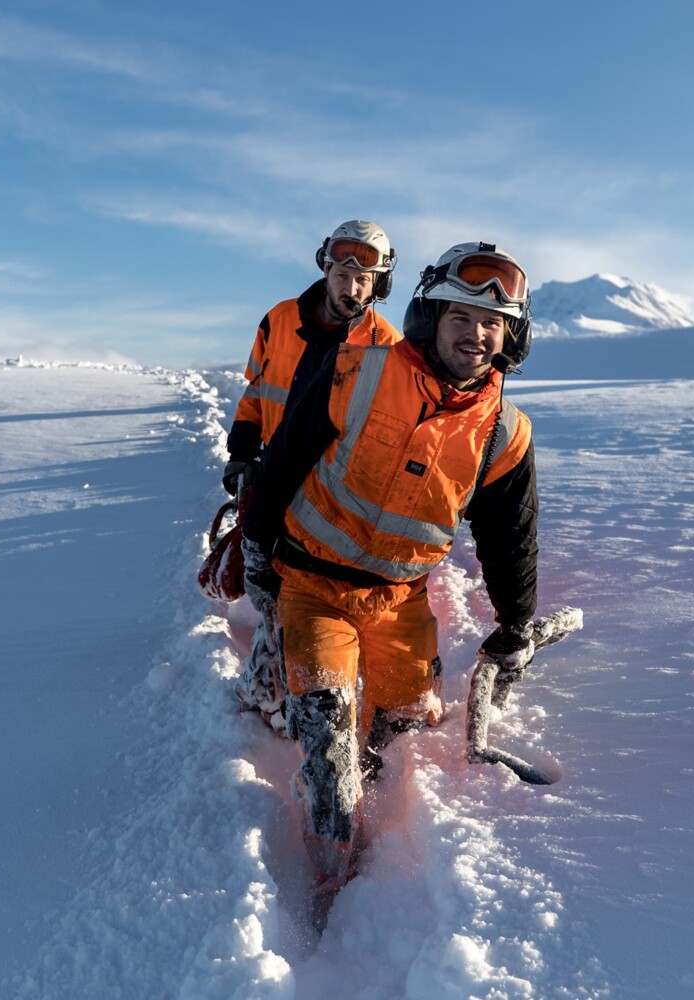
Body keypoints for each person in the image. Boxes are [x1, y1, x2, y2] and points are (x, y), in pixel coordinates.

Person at [241, 241, 540, 901]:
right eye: (461, 317)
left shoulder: (504, 434)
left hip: (399, 601)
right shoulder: (358, 371)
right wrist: (256, 546)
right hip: (312, 583)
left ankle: (379, 821)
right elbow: (284, 458)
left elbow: (509, 535)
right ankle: (328, 874)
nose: (477, 332)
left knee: (402, 726)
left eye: (493, 323)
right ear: (430, 318)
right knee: (324, 726)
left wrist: (516, 619)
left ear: (511, 336)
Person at [225, 220, 402, 729]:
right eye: (343, 273)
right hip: (269, 481)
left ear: (379, 286)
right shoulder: (278, 320)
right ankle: (272, 691)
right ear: (326, 269)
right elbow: (257, 392)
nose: (351, 286)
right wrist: (240, 451)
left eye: (364, 280)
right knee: (269, 591)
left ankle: (278, 693)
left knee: (298, 597)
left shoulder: (386, 345)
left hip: (329, 496)